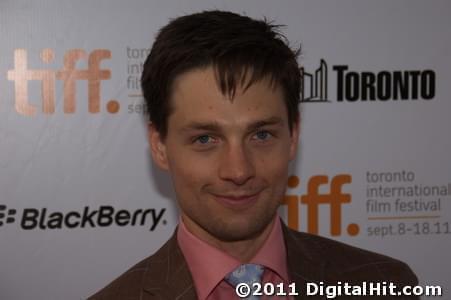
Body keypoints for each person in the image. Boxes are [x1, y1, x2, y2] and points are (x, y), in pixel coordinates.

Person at [89, 10, 419, 300]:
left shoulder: (386, 285)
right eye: (205, 139)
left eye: (261, 135)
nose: (238, 170)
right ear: (160, 145)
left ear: (293, 136)